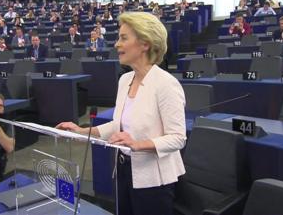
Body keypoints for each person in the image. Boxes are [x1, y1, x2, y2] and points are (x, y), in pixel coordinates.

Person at [57, 12, 186, 215]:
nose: (117, 44)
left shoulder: (166, 84)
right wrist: (82, 132)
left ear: (145, 43)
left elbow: (178, 139)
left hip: (154, 180)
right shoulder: (125, 79)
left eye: (124, 38)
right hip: (124, 170)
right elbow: (117, 125)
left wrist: (137, 144)